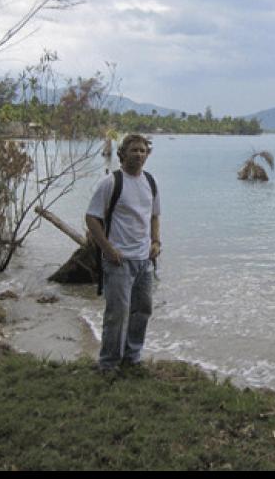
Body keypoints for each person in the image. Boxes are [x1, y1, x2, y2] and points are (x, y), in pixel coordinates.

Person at [85, 134, 161, 373]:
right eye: (134, 150)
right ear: (122, 154)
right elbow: (92, 217)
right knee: (116, 314)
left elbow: (154, 215)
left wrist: (156, 241)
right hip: (119, 261)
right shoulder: (111, 182)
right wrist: (108, 249)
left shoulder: (150, 181)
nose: (139, 154)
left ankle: (132, 357)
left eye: (143, 151)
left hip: (144, 260)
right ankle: (108, 364)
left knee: (143, 310)